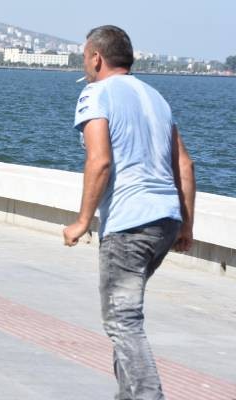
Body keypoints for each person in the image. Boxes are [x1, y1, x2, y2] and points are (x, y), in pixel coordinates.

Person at [63, 25, 196, 400]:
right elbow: (185, 166)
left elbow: (100, 161)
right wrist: (185, 225)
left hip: (129, 225)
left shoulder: (96, 93)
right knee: (126, 319)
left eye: (85, 57)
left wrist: (82, 221)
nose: (85, 64)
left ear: (96, 58)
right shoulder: (156, 97)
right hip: (165, 221)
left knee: (123, 322)